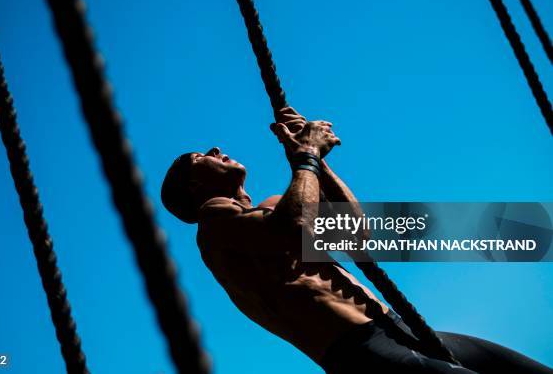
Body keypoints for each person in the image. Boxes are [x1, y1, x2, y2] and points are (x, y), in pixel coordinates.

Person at [161, 107, 552, 373]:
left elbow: (355, 233)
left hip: (397, 328)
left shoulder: (273, 206)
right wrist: (307, 154)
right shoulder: (215, 222)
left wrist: (314, 158)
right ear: (196, 185)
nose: (215, 150)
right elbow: (293, 227)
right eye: (200, 157)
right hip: (363, 351)